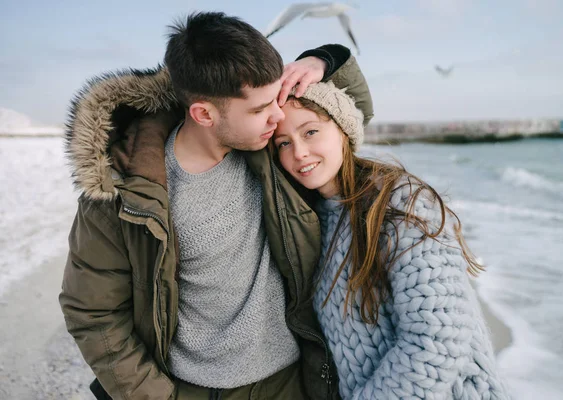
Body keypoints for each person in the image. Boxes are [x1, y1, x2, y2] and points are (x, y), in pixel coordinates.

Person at [59, 11, 373, 400]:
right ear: (204, 114)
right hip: (190, 390)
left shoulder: (274, 148)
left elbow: (350, 114)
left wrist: (323, 59)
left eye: (276, 97)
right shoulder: (122, 192)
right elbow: (92, 312)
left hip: (290, 381)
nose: (279, 114)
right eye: (260, 109)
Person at [272, 81, 511, 399]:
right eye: (283, 143)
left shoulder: (399, 204)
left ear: (343, 130)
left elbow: (438, 340)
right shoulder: (315, 219)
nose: (298, 152)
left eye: (310, 132)